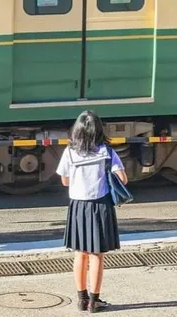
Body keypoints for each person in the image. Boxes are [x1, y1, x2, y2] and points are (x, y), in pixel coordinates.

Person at [56, 110, 127, 313]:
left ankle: (81, 299)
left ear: (77, 131)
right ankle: (95, 302)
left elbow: (64, 180)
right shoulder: (107, 152)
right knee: (97, 255)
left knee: (80, 253)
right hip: (101, 205)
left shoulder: (69, 152)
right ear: (99, 130)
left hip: (78, 206)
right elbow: (122, 179)